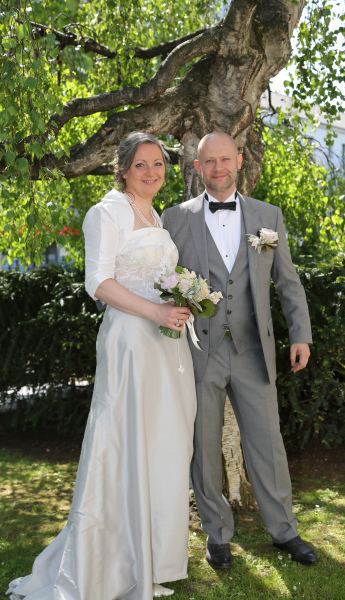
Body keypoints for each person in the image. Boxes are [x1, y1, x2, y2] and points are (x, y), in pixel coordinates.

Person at [7, 132, 197, 600]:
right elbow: (98, 281)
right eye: (141, 164)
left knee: (160, 447)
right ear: (123, 169)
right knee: (124, 446)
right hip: (131, 341)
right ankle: (105, 568)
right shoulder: (105, 212)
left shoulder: (156, 216)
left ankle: (144, 562)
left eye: (158, 163)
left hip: (165, 345)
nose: (151, 172)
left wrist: (183, 301)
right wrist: (155, 312)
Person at [162, 131, 318, 569]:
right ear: (198, 167)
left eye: (225, 159)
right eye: (209, 161)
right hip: (200, 352)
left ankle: (285, 532)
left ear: (239, 161)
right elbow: (161, 281)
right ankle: (217, 535)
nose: (218, 168)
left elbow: (288, 282)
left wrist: (300, 335)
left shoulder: (268, 216)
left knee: (268, 444)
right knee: (204, 447)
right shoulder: (173, 219)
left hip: (253, 350)